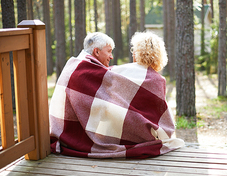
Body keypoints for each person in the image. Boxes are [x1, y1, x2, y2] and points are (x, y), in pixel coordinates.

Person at [49, 31, 184, 159]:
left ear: (137, 52)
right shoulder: (158, 80)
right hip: (144, 132)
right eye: (109, 51)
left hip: (76, 132)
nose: (112, 56)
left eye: (133, 51)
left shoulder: (120, 70)